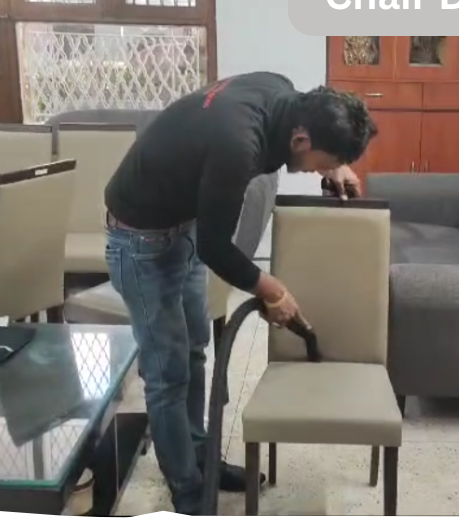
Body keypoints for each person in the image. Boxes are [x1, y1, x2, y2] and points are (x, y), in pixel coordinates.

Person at [102, 71, 378, 515]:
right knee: (167, 372)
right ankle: (188, 493)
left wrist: (337, 162)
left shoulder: (280, 90)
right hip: (140, 242)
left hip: (185, 225)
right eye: (322, 161)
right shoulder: (238, 145)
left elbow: (206, 240)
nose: (319, 171)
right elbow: (217, 249)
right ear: (302, 140)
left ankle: (199, 460)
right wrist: (271, 289)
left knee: (194, 351)